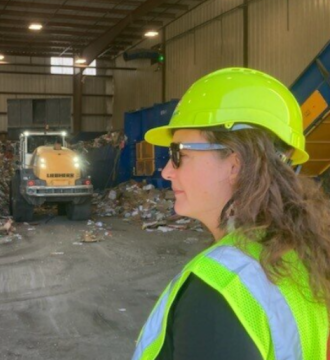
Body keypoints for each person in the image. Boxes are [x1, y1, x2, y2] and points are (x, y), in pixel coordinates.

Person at [131, 68, 330, 360]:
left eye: (178, 154)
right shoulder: (303, 253)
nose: (166, 171)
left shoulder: (219, 289)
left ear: (235, 164)